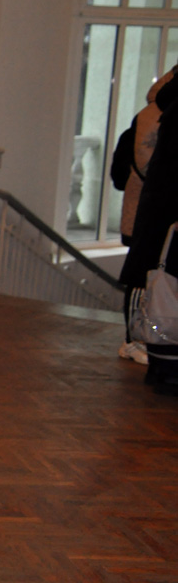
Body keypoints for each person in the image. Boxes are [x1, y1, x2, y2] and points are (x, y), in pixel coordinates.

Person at [112, 67, 178, 365]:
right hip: (155, 207)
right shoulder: (157, 114)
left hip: (153, 205)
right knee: (144, 273)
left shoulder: (156, 111)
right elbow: (146, 164)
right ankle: (135, 338)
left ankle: (146, 338)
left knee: (150, 273)